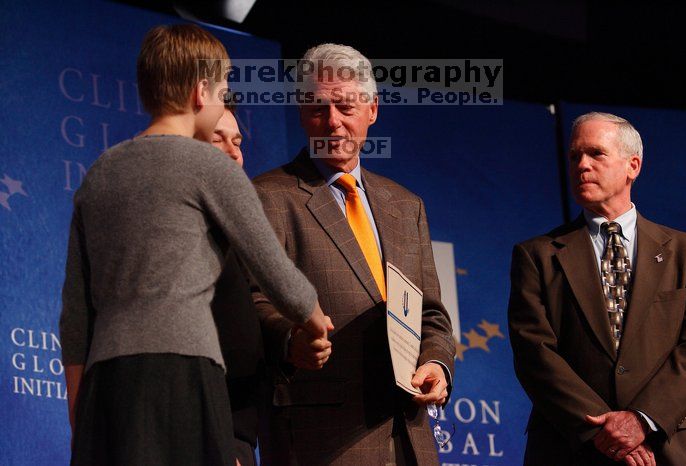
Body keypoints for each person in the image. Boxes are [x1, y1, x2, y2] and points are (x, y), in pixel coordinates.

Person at [59, 24, 330, 466]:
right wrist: (316, 322)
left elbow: (75, 315)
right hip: (183, 376)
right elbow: (275, 270)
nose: (223, 101)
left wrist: (80, 415)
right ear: (201, 92)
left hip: (107, 384)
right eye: (224, 91)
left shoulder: (99, 174)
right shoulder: (210, 165)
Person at [252, 43, 456, 465]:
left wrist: (437, 362)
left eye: (345, 106)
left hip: (410, 437)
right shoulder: (267, 197)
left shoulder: (406, 205)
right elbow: (252, 299)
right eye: (317, 110)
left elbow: (431, 315)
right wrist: (290, 341)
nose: (332, 123)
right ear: (300, 114)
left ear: (372, 109)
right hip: (318, 439)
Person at [508, 112, 686, 466]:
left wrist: (642, 419)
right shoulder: (536, 255)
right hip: (571, 447)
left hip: (667, 447)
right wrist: (603, 431)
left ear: (633, 166)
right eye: (574, 156)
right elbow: (534, 351)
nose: (581, 165)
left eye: (596, 154)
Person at [207, 103, 264, 466]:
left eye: (238, 141)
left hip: (238, 438)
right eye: (218, 140)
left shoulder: (243, 233)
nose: (233, 152)